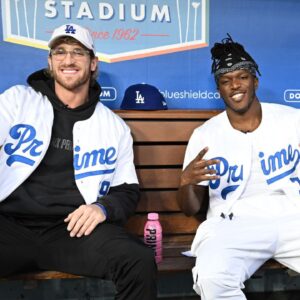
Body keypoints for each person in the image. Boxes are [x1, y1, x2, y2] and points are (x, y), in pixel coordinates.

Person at [0, 23, 157, 300]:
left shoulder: (113, 126)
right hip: (9, 226)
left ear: (93, 63)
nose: (68, 59)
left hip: (72, 231)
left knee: (137, 261)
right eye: (59, 52)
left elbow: (127, 190)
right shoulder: (17, 101)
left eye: (78, 52)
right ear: (50, 62)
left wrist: (102, 207)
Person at [177, 34, 300, 299]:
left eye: (242, 77)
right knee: (212, 278)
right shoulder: (205, 134)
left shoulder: (293, 121)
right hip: (234, 225)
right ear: (218, 89)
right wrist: (187, 181)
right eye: (225, 81)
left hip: (293, 218)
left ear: (255, 81)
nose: (235, 85)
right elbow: (190, 208)